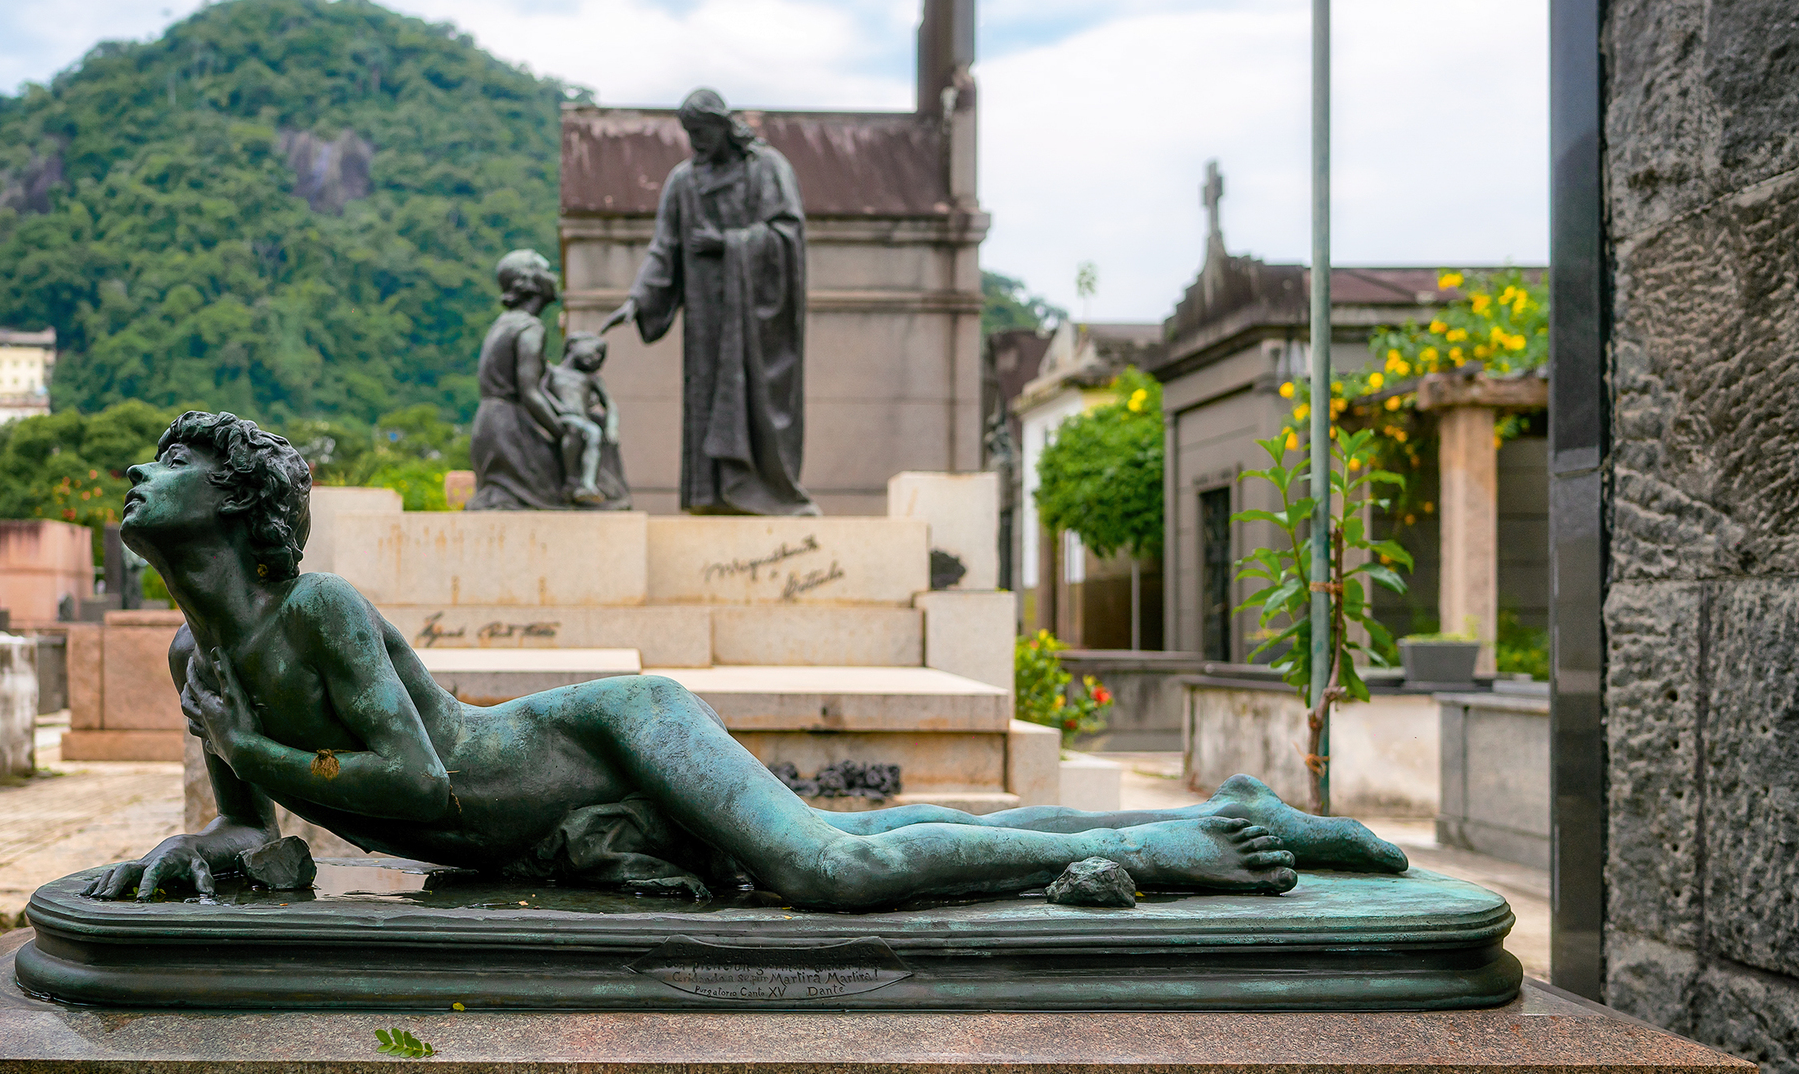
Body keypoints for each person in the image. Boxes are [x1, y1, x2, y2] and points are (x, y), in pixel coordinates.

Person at [87, 411, 1409, 907]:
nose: (142, 473)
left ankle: (1189, 850)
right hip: (544, 821)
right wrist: (219, 845)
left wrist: (253, 760)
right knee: (878, 825)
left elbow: (420, 788)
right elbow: (274, 842)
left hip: (593, 739)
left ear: (236, 507)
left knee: (830, 868)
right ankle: (1219, 817)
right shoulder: (200, 664)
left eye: (174, 461)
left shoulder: (315, 611)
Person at [599, 89, 816, 516]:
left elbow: (787, 233)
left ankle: (770, 490)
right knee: (708, 398)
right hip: (707, 317)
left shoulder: (767, 168)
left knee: (758, 400)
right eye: (689, 134)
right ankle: (713, 494)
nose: (696, 142)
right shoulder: (684, 181)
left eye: (702, 132)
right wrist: (639, 298)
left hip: (756, 319)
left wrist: (729, 243)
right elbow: (664, 247)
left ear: (723, 126)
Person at [464, 250, 567, 511]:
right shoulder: (530, 328)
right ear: (529, 281)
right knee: (550, 498)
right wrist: (563, 431)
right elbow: (530, 393)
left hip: (488, 425)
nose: (553, 277)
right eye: (545, 270)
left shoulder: (503, 323)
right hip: (511, 430)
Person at [541, 333, 619, 507]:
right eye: (594, 351)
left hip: (582, 420)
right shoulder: (553, 372)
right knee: (582, 431)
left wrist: (612, 426)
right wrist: (557, 407)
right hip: (563, 419)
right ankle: (571, 479)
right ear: (572, 346)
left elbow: (610, 404)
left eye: (600, 356)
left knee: (593, 433)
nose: (596, 357)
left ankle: (587, 484)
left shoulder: (590, 379)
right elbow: (542, 392)